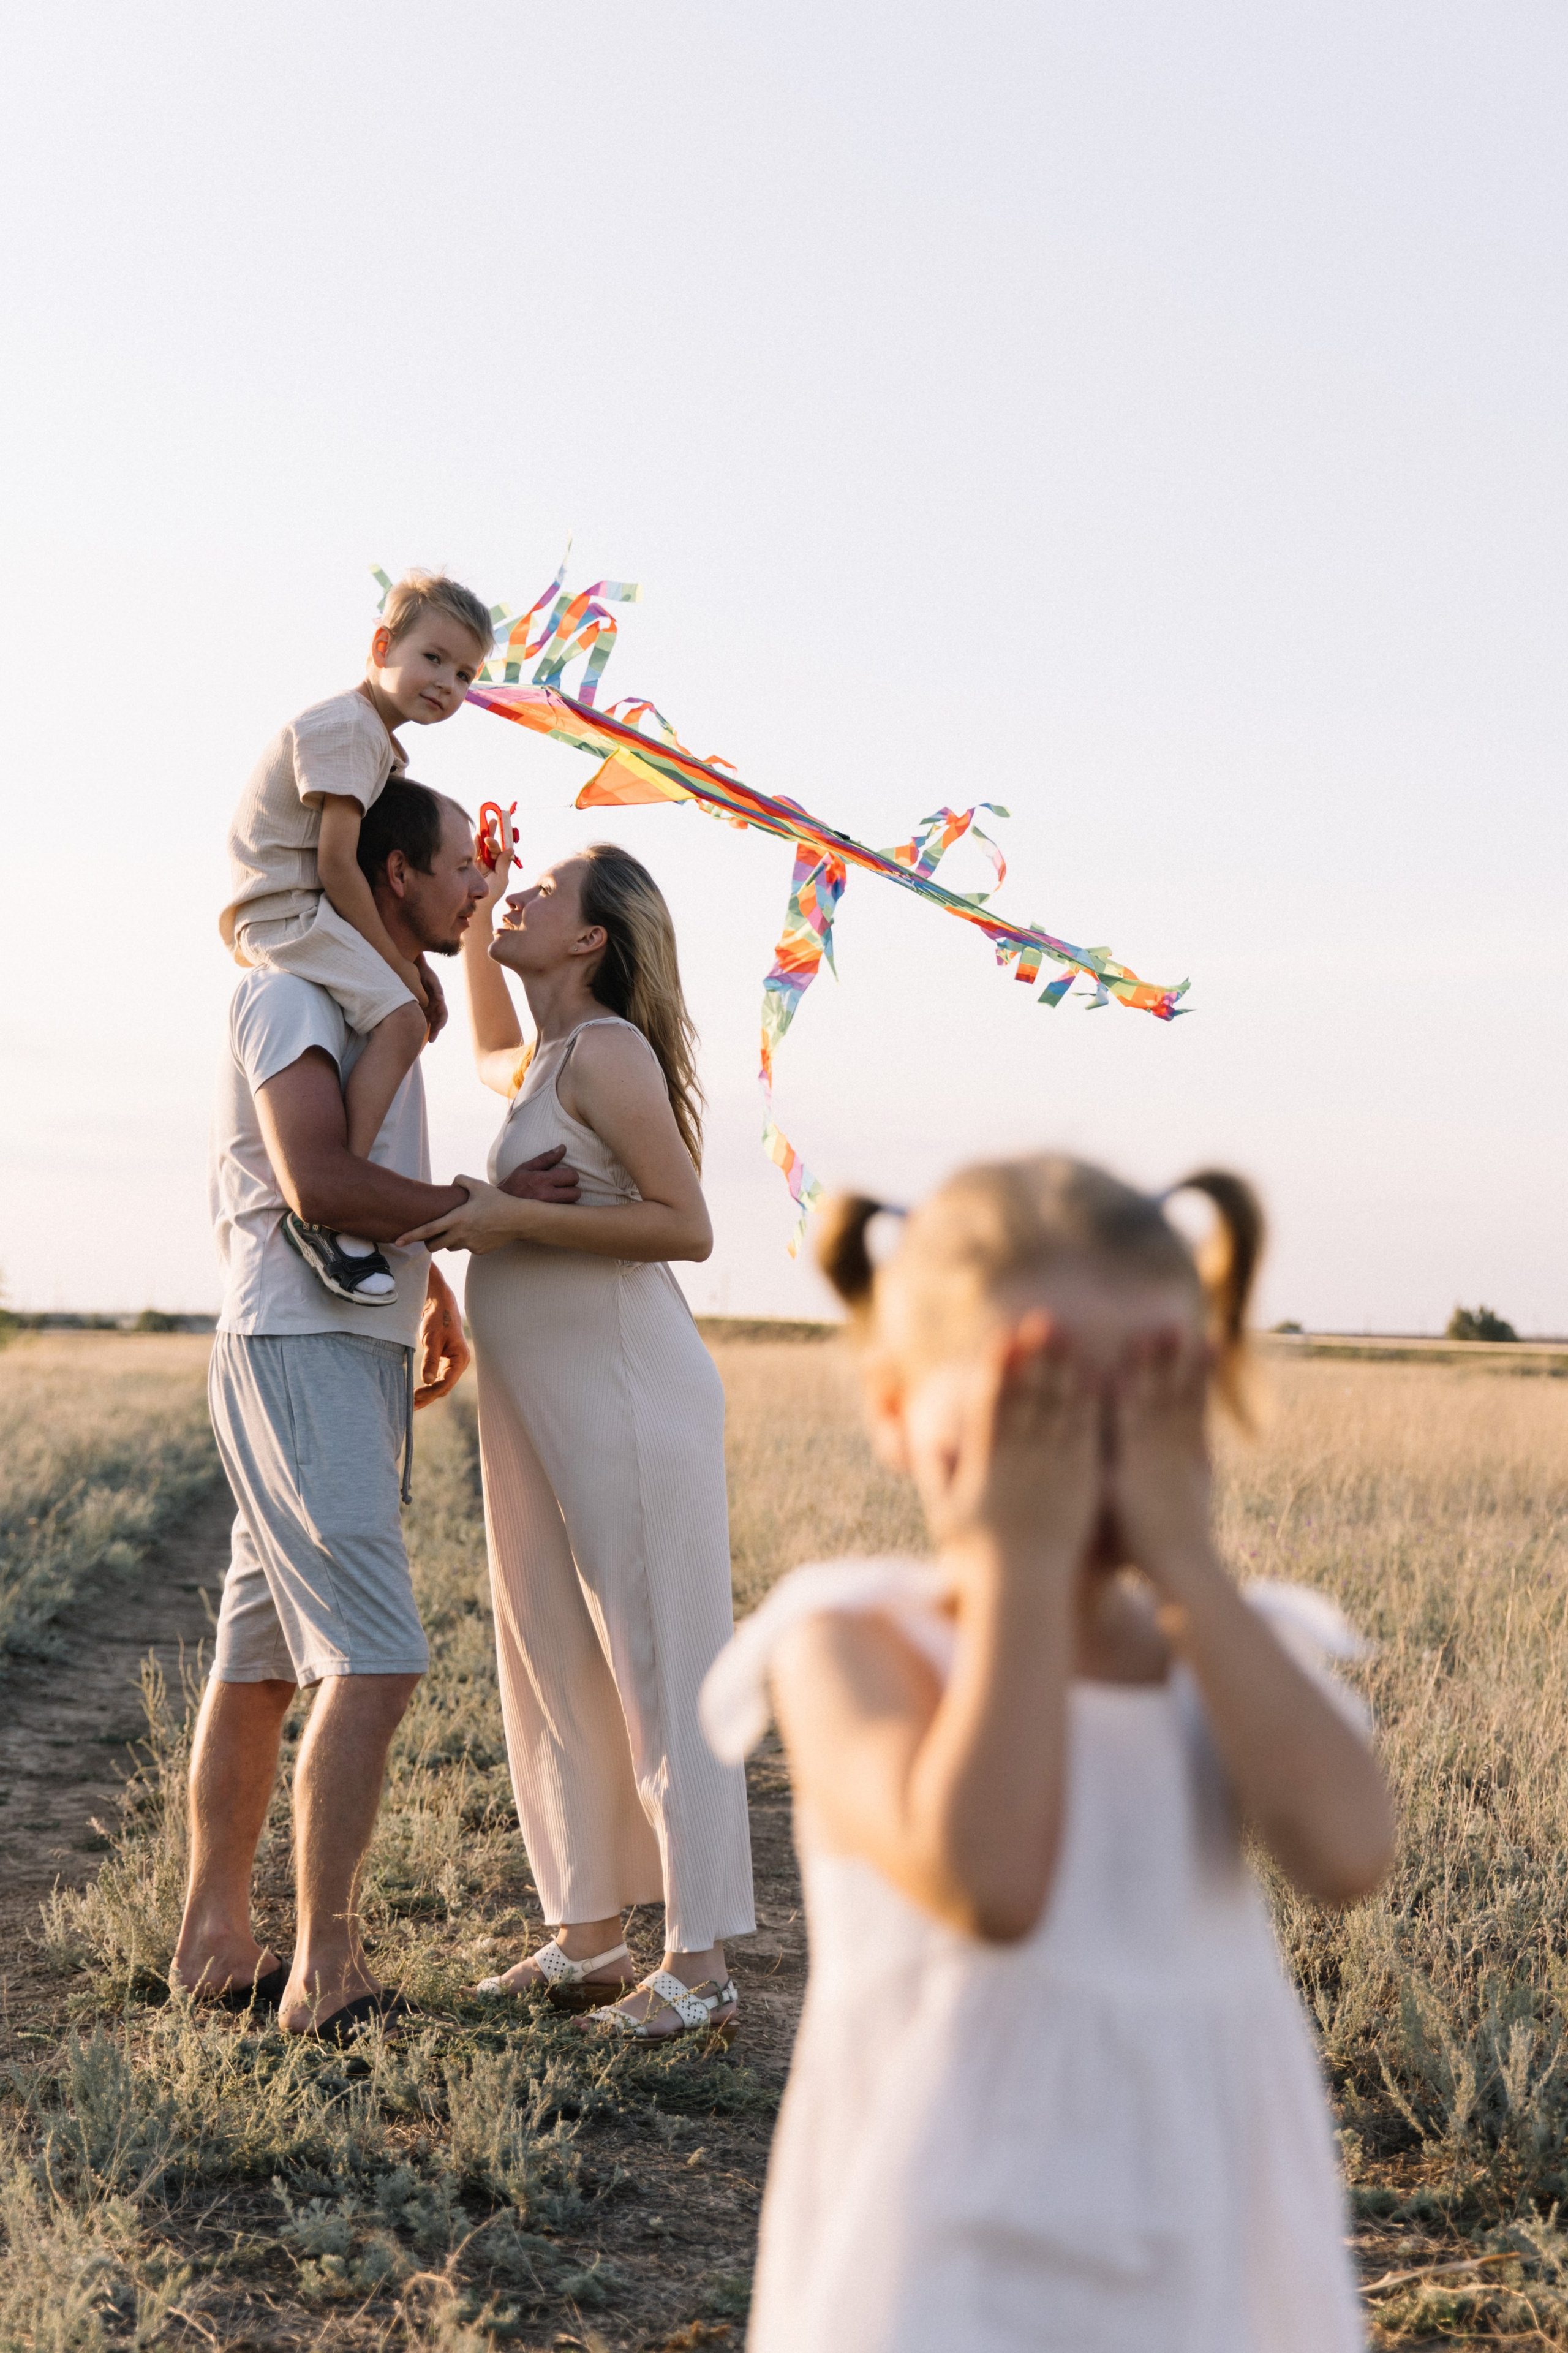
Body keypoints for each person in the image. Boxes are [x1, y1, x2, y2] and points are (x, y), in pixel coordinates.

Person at [699, 1155, 1395, 2351]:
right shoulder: (847, 1644)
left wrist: (1186, 1565)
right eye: (1035, 1406)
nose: (1079, 1459)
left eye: (1136, 1406)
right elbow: (991, 1880)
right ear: (892, 1408)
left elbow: (1346, 1852)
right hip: (957, 2239)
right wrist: (1017, 1571)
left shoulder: (1231, 1646)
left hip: (1201, 2233)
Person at [173, 782, 579, 2041]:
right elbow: (317, 1178)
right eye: (462, 866)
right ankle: (326, 1972)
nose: (481, 887)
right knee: (379, 1654)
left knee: (264, 1659)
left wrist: (433, 1280)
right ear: (392, 873)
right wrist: (486, 1207)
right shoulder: (295, 987)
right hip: (298, 1343)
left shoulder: (370, 998)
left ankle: (213, 1941)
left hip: (339, 1339)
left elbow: (360, 1188)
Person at [397, 823, 756, 2039]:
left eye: (539, 887)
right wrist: (488, 911)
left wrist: (505, 1218)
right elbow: (494, 1041)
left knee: (660, 1658)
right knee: (550, 1652)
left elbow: (683, 1225)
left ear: (591, 936)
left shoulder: (607, 1054)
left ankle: (697, 1965)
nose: (511, 888)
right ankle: (588, 1935)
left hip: (626, 1393)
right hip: (538, 1401)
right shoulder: (549, 1055)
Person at [220, 568, 494, 1305]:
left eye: (466, 674)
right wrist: (402, 975)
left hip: (308, 908)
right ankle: (332, 1206)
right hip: (286, 909)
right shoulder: (349, 730)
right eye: (433, 658)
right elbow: (339, 866)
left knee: (407, 1007)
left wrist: (409, 961)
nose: (448, 682)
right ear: (382, 646)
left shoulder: (380, 744)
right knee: (403, 1018)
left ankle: (347, 1189)